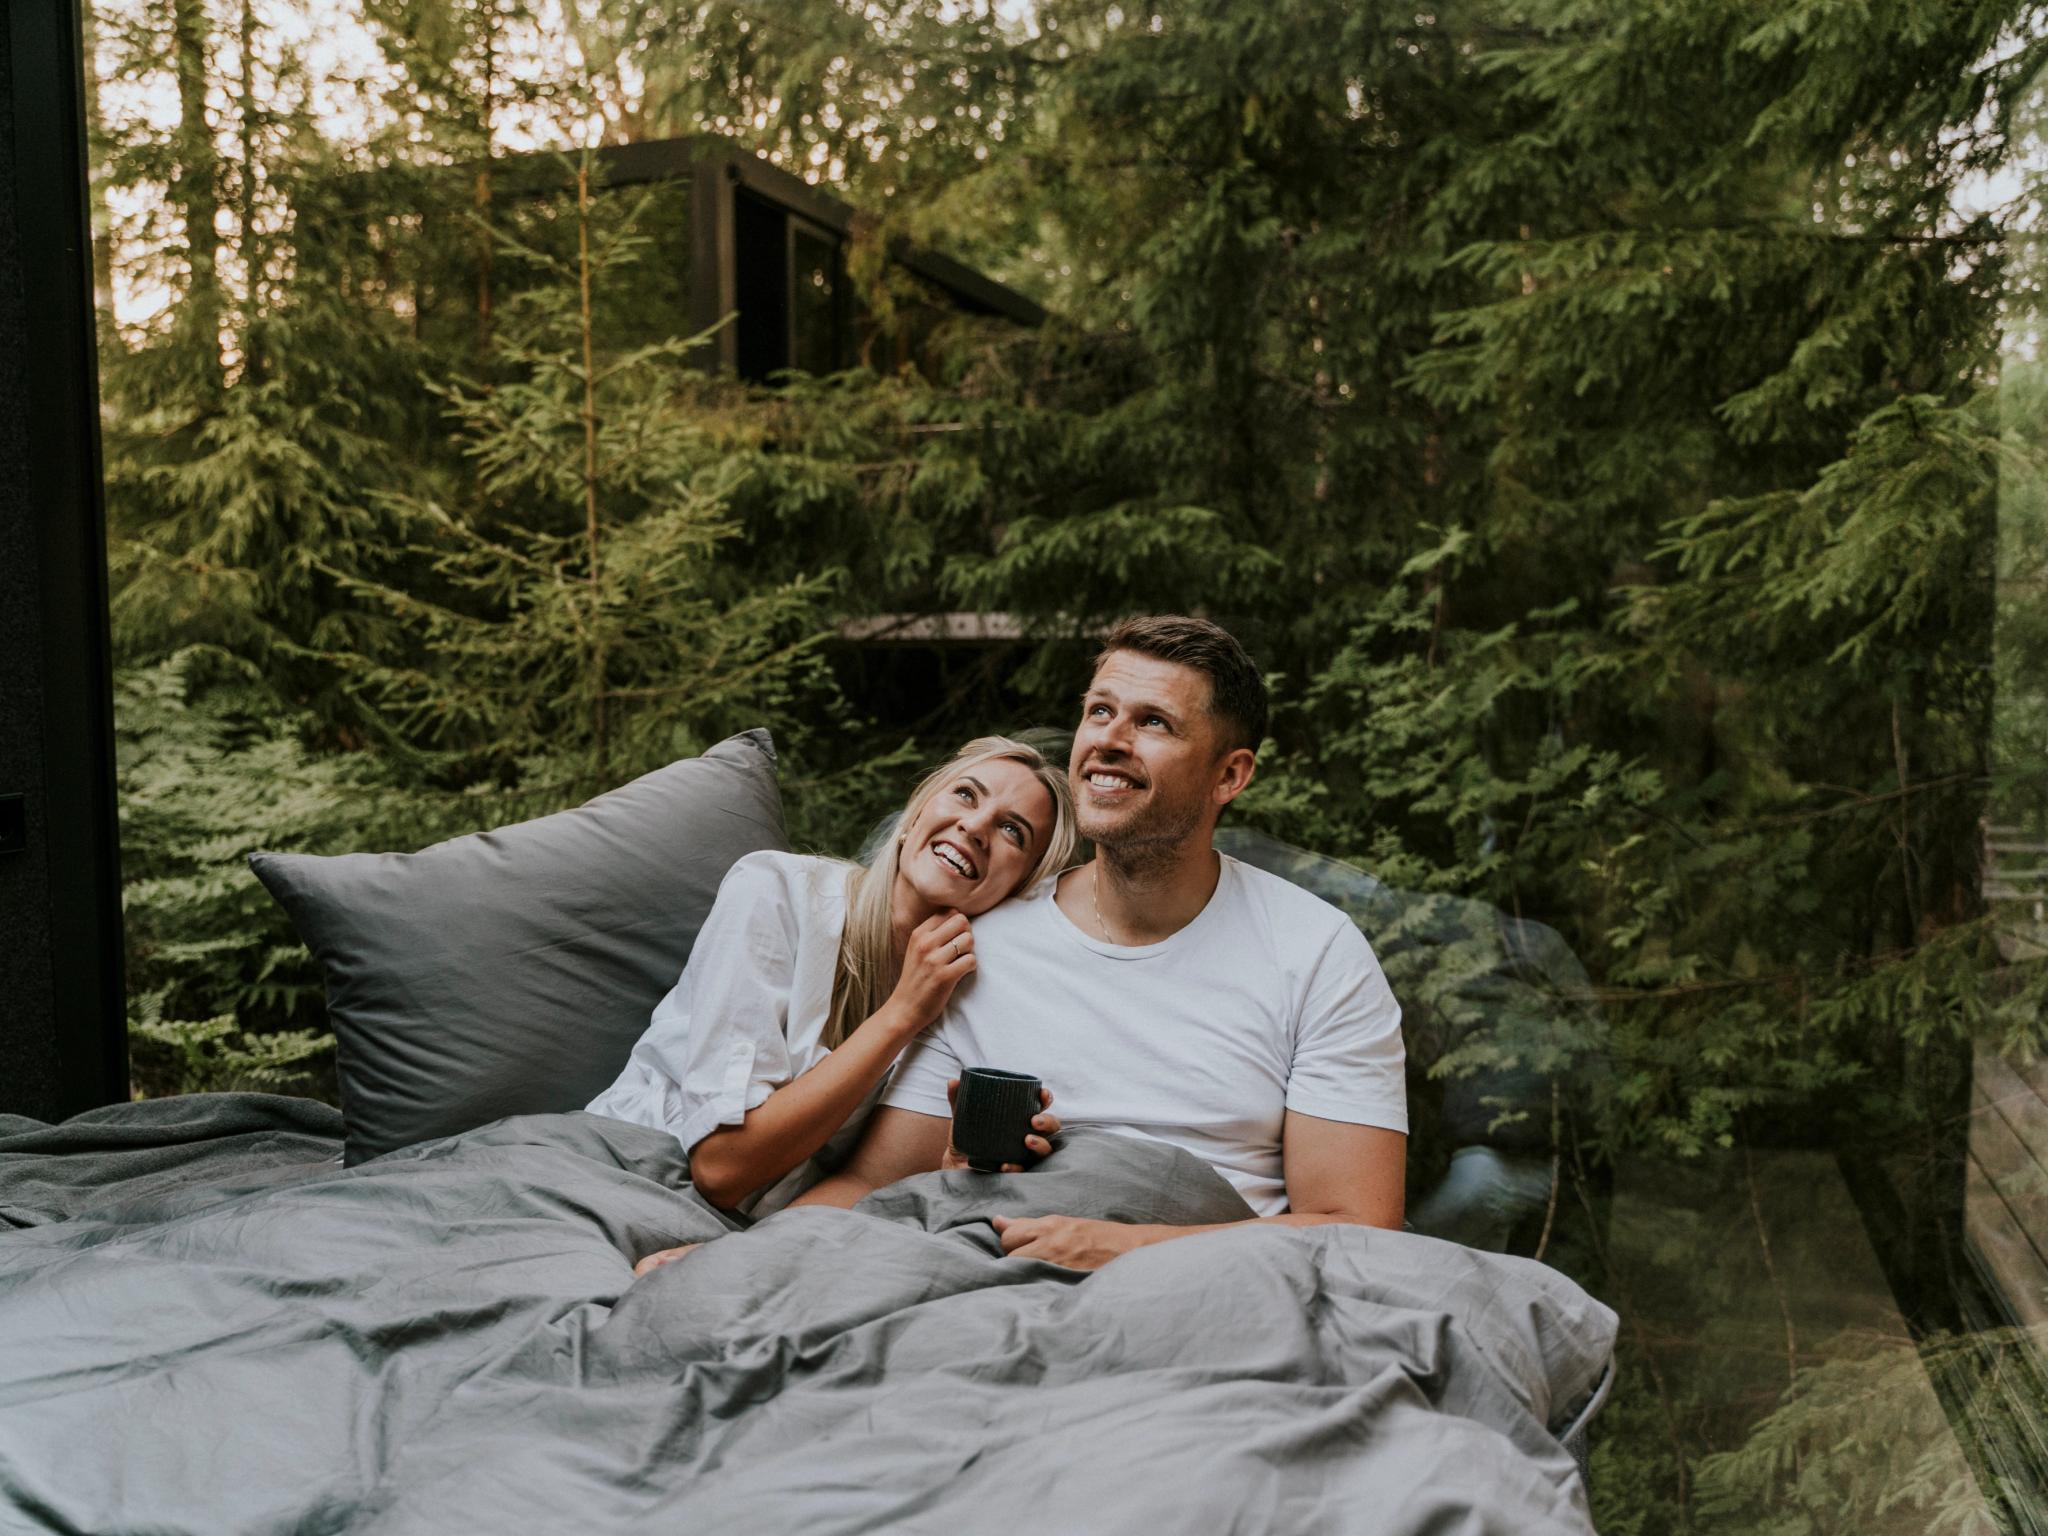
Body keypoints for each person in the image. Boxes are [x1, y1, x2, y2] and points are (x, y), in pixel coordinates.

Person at [788, 616, 1409, 1270]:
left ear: (1229, 775)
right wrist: (731, 1262)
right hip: (998, 1271)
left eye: (1153, 723)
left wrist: (1125, 1248)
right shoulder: (981, 948)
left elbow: (1358, 1230)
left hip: (1214, 1287)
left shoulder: (1314, 953)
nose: (1109, 740)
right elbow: (869, 1188)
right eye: (1100, 711)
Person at [589, 735, 1075, 1254]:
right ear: (916, 813)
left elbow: (864, 1182)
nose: (976, 827)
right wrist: (902, 1013)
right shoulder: (776, 892)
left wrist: (947, 1174)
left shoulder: (969, 1000)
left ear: (1021, 887)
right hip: (626, 1170)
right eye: (965, 795)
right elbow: (721, 1167)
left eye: (1011, 831)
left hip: (762, 1234)